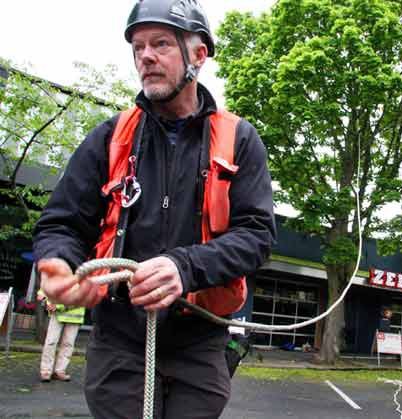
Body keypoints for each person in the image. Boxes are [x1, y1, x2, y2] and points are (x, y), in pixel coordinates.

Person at [32, 1, 275, 418]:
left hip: (199, 342)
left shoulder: (239, 139)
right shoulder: (110, 137)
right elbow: (62, 223)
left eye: (161, 44)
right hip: (119, 341)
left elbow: (256, 235)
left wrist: (184, 267)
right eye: (138, 47)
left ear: (198, 55)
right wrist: (56, 262)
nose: (146, 57)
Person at [37, 290, 85, 382]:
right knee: (52, 342)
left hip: (73, 312)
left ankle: (58, 371)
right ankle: (47, 371)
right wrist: (43, 294)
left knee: (66, 343)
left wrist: (57, 305)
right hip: (60, 312)